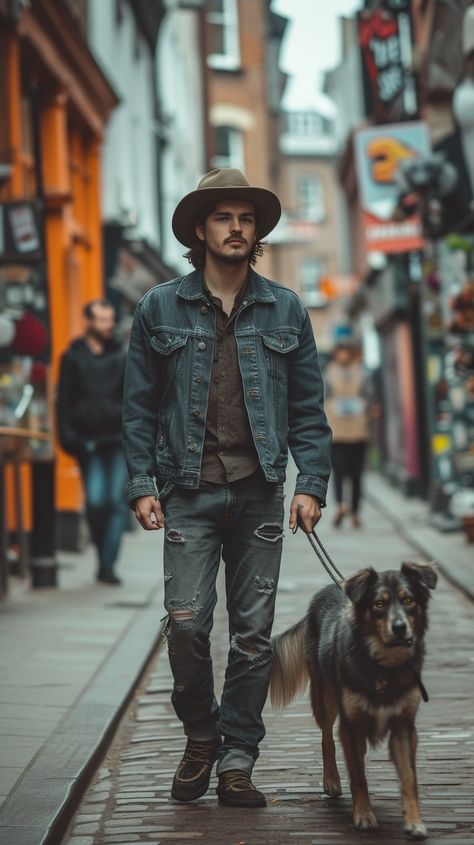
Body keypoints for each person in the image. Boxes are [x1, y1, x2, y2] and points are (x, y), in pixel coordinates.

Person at [122, 168, 332, 808]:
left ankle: (239, 757)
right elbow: (137, 407)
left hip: (260, 491)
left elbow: (307, 408)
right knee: (186, 625)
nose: (236, 227)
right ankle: (201, 736)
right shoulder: (158, 307)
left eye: (246, 218)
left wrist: (311, 482)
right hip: (187, 489)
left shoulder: (286, 308)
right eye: (223, 217)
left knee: (253, 633)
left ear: (257, 232)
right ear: (199, 229)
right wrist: (140, 483)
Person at [57, 299, 127, 585]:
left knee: (116, 503)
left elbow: (131, 397)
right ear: (89, 322)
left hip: (117, 440)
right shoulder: (72, 357)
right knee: (96, 502)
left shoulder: (122, 356)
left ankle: (107, 566)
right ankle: (101, 553)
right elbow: (62, 401)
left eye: (110, 319)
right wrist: (68, 437)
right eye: (102, 320)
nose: (108, 325)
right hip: (87, 441)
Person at [324, 342, 372, 528]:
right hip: (337, 432)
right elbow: (323, 397)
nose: (343, 356)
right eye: (340, 353)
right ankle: (341, 506)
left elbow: (369, 396)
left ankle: (355, 512)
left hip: (358, 431)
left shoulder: (363, 373)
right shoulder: (328, 373)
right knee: (339, 471)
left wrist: (363, 406)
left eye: (346, 353)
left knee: (356, 474)